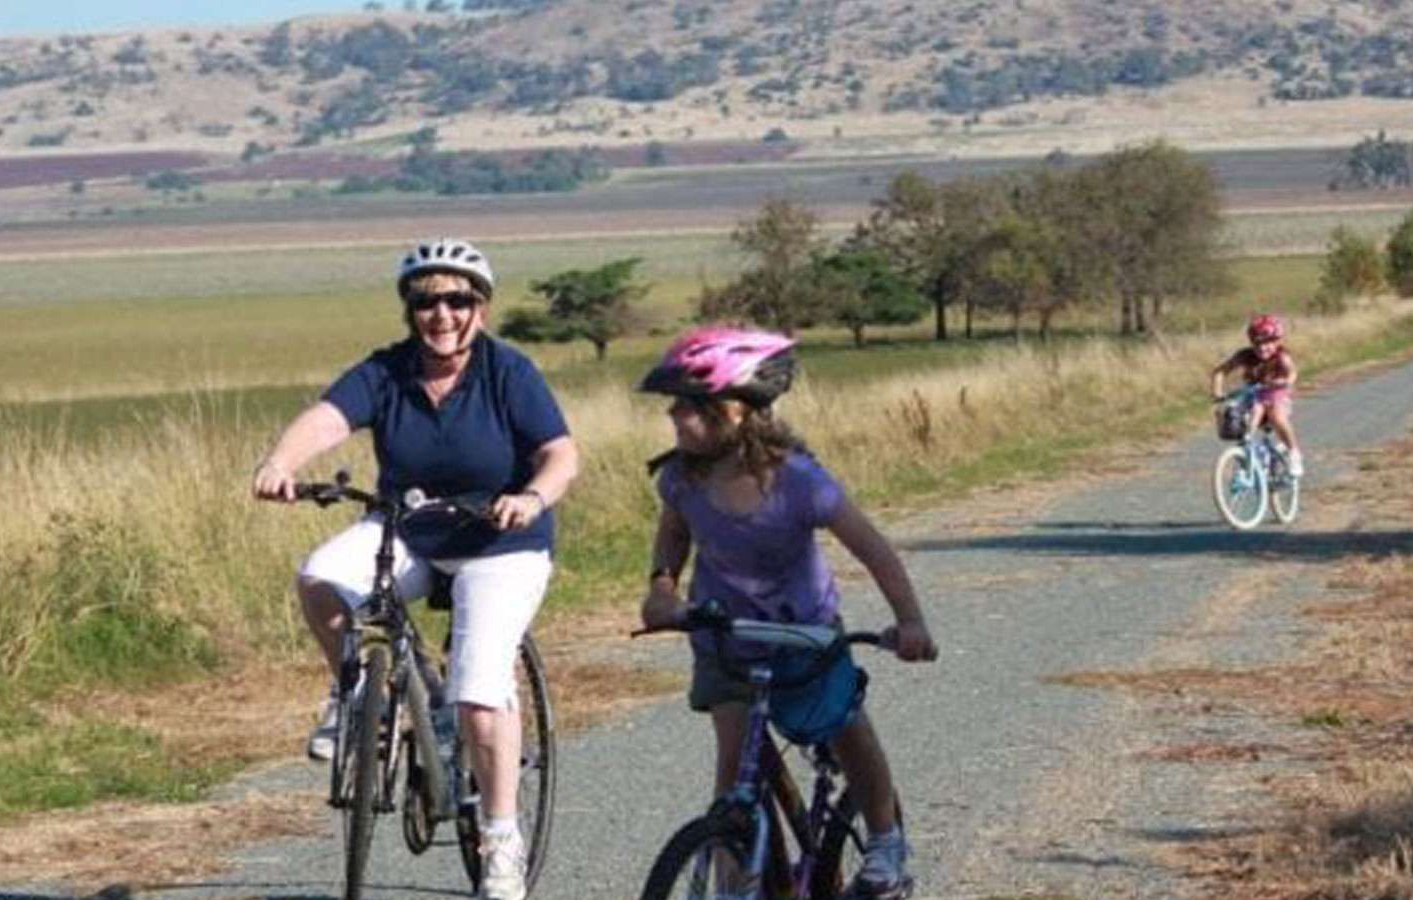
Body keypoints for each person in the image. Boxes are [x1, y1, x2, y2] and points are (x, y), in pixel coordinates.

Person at [251, 238, 578, 900]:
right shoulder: (388, 371)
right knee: (321, 577)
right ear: (411, 310)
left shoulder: (508, 373)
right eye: (427, 301)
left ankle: (500, 838)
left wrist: (530, 496)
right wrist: (281, 461)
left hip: (500, 542)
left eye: (458, 299)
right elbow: (328, 418)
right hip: (411, 531)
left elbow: (560, 453)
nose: (442, 313)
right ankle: (357, 699)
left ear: (480, 309)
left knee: (481, 691)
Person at [636, 325, 937, 899]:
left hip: (805, 638)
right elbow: (675, 534)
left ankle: (884, 838)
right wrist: (662, 587)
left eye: (691, 405)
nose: (675, 414)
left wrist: (911, 620)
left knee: (846, 730)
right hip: (726, 639)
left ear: (740, 412)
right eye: (673, 404)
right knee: (732, 776)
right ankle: (734, 883)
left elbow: (873, 549)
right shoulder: (681, 477)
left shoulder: (799, 482)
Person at [1211, 313, 1303, 477]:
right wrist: (1217, 393)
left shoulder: (1281, 357)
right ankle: (1246, 449)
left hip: (1276, 392)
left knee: (1276, 415)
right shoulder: (1245, 356)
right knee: (1235, 414)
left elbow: (1292, 374)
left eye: (1268, 343)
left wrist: (1285, 382)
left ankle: (1294, 453)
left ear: (1277, 341)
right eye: (1257, 343)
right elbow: (1220, 372)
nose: (1262, 348)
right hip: (1254, 392)